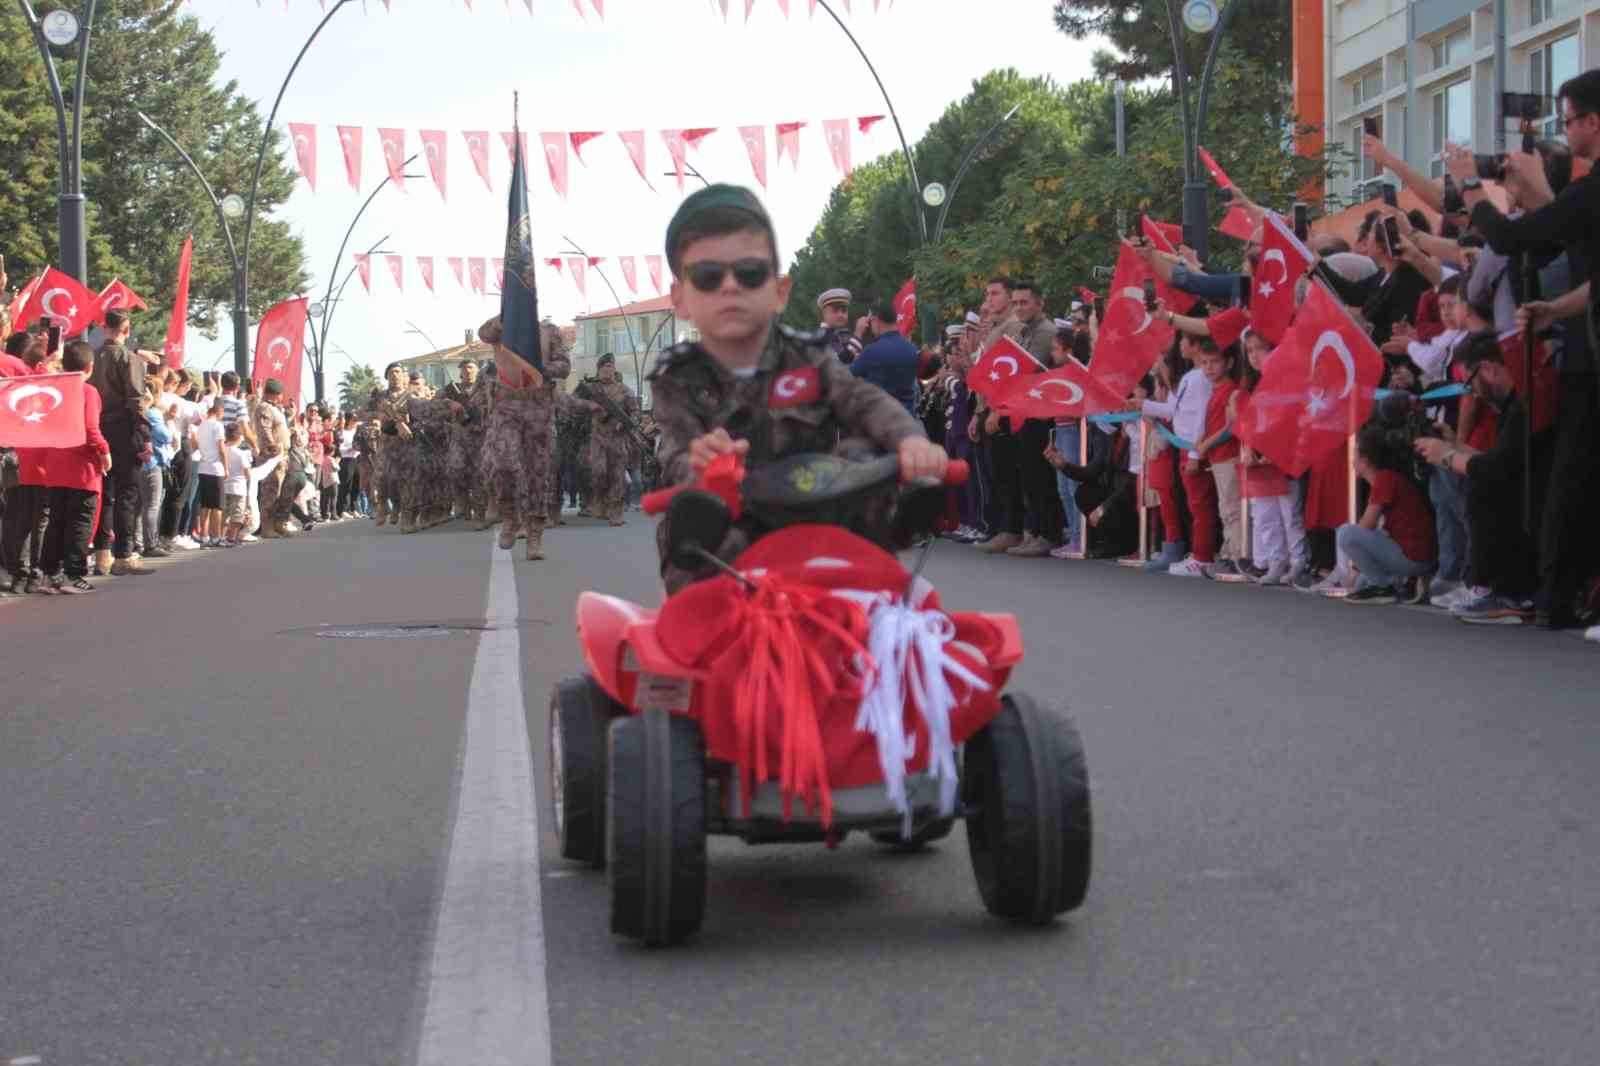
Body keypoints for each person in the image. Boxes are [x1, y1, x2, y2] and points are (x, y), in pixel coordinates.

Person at [647, 183, 943, 593]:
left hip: (818, 519)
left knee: (861, 455)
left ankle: (896, 548)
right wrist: (702, 467)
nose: (730, 286)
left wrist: (911, 440)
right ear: (680, 298)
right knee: (690, 525)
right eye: (708, 276)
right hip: (730, 528)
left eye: (750, 273)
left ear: (779, 291)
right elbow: (676, 454)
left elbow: (863, 401)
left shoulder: (810, 358)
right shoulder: (677, 378)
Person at [1414, 331, 1542, 624]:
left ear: (1488, 369)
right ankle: (1489, 588)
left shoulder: (1523, 405)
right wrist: (1454, 446)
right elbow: (1501, 461)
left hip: (1534, 506)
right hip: (1528, 496)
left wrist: (1447, 457)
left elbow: (1496, 469)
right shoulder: (1514, 403)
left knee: (1482, 488)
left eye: (1469, 382)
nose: (1472, 392)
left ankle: (1503, 593)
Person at [477, 316, 572, 561]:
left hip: (538, 407)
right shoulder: (501, 326)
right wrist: (503, 320)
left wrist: (538, 367)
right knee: (502, 464)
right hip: (506, 407)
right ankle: (510, 517)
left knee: (537, 474)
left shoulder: (549, 331)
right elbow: (484, 334)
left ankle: (534, 534)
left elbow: (564, 366)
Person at [26, 341, 110, 595]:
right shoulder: (88, 392)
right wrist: (104, 451)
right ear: (90, 367)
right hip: (82, 469)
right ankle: (73, 575)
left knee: (56, 522)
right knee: (80, 522)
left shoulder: (55, 390)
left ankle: (49, 574)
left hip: (55, 465)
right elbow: (91, 428)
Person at [1141, 332, 1215, 577]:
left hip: (1193, 447)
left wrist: (1194, 454)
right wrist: (1141, 405)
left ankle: (1203, 557)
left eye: (1183, 340)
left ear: (1195, 345)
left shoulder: (1201, 379)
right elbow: (1173, 409)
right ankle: (1198, 553)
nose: (1180, 345)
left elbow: (1201, 416)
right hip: (1184, 446)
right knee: (1195, 505)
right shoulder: (1190, 376)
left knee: (1200, 505)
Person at [1237, 329, 1307, 585]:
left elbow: (1293, 421)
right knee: (1266, 514)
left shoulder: (1288, 382)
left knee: (1290, 514)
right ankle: (1275, 561)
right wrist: (1249, 449)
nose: (1255, 356)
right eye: (1250, 351)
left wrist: (1275, 450)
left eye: (1260, 349)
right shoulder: (1253, 387)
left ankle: (1298, 561)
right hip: (1259, 459)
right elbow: (1248, 424)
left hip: (1283, 458)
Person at [87, 309, 154, 575]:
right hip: (123, 429)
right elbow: (136, 400)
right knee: (127, 492)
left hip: (96, 426)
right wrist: (145, 436)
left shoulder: (92, 357)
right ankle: (123, 555)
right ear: (126, 330)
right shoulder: (129, 359)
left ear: (105, 327)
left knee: (104, 493)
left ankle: (102, 554)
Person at [1339, 425, 1437, 605]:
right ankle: (1394, 583)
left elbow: (1366, 525)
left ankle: (1383, 587)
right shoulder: (1387, 478)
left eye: (1355, 454)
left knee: (1346, 533)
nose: (1352, 460)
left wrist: (1355, 567)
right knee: (1360, 584)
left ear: (1365, 461)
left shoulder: (1385, 479)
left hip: (1414, 556)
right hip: (1414, 554)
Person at [576, 352, 640, 526]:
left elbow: (635, 413)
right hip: (597, 437)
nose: (607, 369)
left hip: (618, 438)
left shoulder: (625, 390)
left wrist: (624, 423)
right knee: (598, 471)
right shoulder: (591, 388)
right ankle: (600, 499)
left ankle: (616, 512)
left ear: (614, 369)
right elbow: (574, 405)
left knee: (617, 474)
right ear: (598, 369)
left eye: (610, 366)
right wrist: (588, 405)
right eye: (604, 366)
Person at [848, 300, 919, 413]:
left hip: (880, 418)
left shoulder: (871, 351)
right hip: (907, 418)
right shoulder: (912, 349)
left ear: (876, 321)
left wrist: (858, 333)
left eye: (871, 321)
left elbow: (847, 377)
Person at [252, 377, 294, 538]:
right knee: (270, 491)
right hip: (272, 456)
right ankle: (267, 526)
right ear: (277, 394)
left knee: (281, 491)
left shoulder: (275, 408)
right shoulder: (265, 408)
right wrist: (272, 447)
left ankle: (278, 523)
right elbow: (264, 430)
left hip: (282, 455)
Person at [192, 397, 228, 547]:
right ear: (219, 409)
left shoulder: (202, 425)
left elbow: (197, 445)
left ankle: (204, 536)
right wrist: (226, 467)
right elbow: (221, 448)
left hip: (203, 467)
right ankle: (216, 536)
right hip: (215, 468)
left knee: (205, 504)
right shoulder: (217, 425)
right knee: (217, 506)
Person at [222, 422, 251, 545]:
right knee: (237, 516)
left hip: (224, 486)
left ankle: (220, 536)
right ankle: (231, 538)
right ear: (239, 437)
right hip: (239, 488)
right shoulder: (240, 453)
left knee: (224, 513)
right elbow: (247, 472)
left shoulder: (222, 450)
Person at [816, 288, 861, 365]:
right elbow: (845, 358)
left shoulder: (839, 333)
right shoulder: (825, 335)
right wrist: (859, 333)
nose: (840, 315)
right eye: (835, 311)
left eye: (844, 311)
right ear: (824, 313)